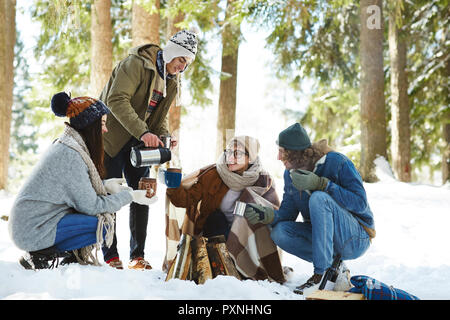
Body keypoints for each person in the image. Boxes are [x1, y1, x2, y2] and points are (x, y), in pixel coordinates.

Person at [8, 92, 156, 270]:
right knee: (102, 225)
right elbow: (92, 206)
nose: (105, 129)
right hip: (31, 230)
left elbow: (77, 191)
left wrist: (105, 186)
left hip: (31, 224)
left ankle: (57, 253)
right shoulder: (70, 155)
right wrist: (130, 196)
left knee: (96, 218)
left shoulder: (68, 145)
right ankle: (40, 254)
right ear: (90, 126)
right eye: (102, 124)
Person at [98, 29, 198, 270]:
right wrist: (144, 132)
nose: (182, 67)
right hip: (111, 137)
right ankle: (110, 255)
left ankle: (137, 256)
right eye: (181, 59)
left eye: (187, 63)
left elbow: (159, 117)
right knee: (110, 193)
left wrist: (164, 137)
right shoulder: (136, 64)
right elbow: (116, 100)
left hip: (138, 144)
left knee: (142, 194)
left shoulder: (172, 81)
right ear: (173, 51)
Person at [244, 123, 376, 294]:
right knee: (280, 232)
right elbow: (288, 213)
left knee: (319, 198)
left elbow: (360, 203)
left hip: (356, 236)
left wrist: (323, 184)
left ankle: (321, 275)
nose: (278, 157)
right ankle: (334, 268)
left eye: (282, 151)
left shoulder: (337, 162)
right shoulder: (290, 174)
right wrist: (269, 215)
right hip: (324, 238)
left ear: (296, 152)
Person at [165, 136, 286, 283]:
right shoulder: (213, 174)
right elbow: (185, 199)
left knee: (257, 217)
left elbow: (275, 215)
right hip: (217, 234)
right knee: (216, 218)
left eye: (238, 153)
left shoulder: (263, 181)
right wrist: (173, 186)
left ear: (251, 158)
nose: (231, 157)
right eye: (228, 152)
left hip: (246, 239)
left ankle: (248, 268)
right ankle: (219, 266)